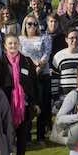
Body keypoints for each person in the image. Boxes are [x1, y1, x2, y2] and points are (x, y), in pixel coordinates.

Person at [0, 35, 40, 155]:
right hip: (6, 107)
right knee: (7, 138)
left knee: (22, 137)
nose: (13, 46)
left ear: (19, 44)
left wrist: (36, 103)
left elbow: (34, 84)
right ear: (5, 46)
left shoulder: (27, 61)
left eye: (15, 43)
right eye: (10, 44)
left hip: (24, 106)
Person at [20, 14, 52, 143]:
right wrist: (32, 69)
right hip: (27, 77)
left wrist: (39, 66)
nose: (32, 26)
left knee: (42, 105)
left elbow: (47, 53)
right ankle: (26, 136)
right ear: (25, 25)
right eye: (29, 24)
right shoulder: (21, 39)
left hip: (42, 75)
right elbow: (21, 55)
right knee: (28, 106)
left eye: (35, 24)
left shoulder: (45, 38)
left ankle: (40, 136)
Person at [53, 29, 78, 110]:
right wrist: (55, 98)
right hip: (64, 99)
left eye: (77, 38)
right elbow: (55, 79)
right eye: (72, 38)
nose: (75, 40)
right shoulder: (58, 56)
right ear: (66, 39)